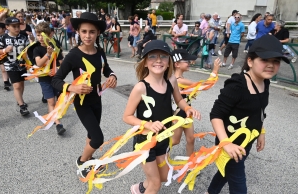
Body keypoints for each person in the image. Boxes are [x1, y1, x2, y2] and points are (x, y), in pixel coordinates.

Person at [205, 34, 289, 194]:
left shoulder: (265, 81)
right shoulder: (237, 85)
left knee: (225, 171)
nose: (271, 65)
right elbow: (216, 115)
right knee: (238, 185)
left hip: (247, 141)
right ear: (250, 61)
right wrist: (226, 144)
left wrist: (261, 132)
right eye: (265, 60)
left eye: (276, 61)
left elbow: (260, 110)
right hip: (229, 142)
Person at [123, 40, 200, 194]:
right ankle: (149, 186)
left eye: (163, 56)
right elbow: (127, 116)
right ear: (145, 63)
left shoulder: (171, 80)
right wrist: (147, 124)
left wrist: (187, 107)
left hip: (164, 138)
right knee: (156, 184)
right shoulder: (141, 88)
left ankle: (141, 188)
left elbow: (179, 99)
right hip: (145, 142)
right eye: (152, 56)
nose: (158, 60)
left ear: (169, 61)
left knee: (163, 177)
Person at [51, 12, 117, 178]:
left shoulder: (100, 52)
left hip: (97, 98)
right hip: (82, 102)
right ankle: (81, 162)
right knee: (98, 138)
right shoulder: (73, 55)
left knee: (91, 133)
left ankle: (89, 159)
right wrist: (72, 88)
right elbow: (56, 79)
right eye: (84, 31)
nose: (88, 36)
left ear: (98, 33)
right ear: (78, 32)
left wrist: (112, 75)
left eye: (92, 32)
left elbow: (106, 69)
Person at [172, 48, 216, 156]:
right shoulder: (179, 80)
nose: (189, 63)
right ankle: (155, 153)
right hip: (178, 113)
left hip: (187, 111)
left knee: (191, 139)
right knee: (175, 141)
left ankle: (190, 164)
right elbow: (205, 86)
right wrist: (215, 71)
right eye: (186, 61)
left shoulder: (180, 78)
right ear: (177, 64)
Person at [33, 22, 66, 135]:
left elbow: (61, 62)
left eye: (43, 35)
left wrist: (57, 68)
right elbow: (38, 63)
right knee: (51, 101)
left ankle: (52, 115)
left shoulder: (55, 46)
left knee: (56, 99)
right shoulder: (37, 49)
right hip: (44, 79)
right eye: (38, 35)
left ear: (50, 35)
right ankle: (58, 123)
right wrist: (47, 54)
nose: (41, 38)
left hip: (55, 78)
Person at [0, 17, 30, 116]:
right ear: (7, 27)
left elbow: (28, 49)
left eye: (18, 26)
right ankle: (22, 106)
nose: (17, 28)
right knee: (16, 85)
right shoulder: (3, 38)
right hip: (10, 65)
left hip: (22, 64)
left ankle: (19, 98)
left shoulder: (23, 37)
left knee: (21, 84)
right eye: (14, 26)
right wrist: (4, 50)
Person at [0, 22, 11, 91]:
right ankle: (6, 82)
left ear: (4, 29)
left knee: (6, 69)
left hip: (6, 55)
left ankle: (7, 81)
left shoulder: (7, 36)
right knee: (3, 69)